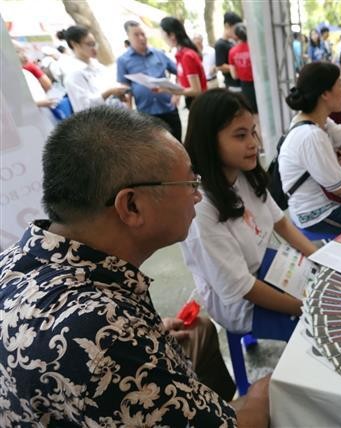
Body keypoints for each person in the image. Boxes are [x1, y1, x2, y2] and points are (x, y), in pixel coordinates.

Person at [0, 106, 270, 426]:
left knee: (200, 331)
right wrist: (261, 395)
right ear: (131, 205)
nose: (197, 195)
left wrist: (148, 334)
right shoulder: (103, 334)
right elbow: (101, 343)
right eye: (188, 183)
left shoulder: (18, 257)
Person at [181, 89, 317, 338]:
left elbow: (282, 223)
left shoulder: (244, 174)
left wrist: (321, 259)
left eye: (252, 131)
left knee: (327, 285)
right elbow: (243, 287)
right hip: (239, 303)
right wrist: (305, 307)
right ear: (209, 141)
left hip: (265, 268)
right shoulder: (200, 207)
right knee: (317, 327)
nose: (254, 143)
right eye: (240, 135)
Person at [280, 62, 341, 235]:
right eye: (338, 84)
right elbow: (340, 187)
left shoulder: (319, 121)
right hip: (317, 213)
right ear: (325, 94)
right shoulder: (311, 135)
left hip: (329, 203)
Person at [117, 20, 182, 141]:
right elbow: (125, 88)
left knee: (178, 142)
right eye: (136, 35)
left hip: (169, 108)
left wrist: (177, 93)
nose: (141, 38)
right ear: (128, 37)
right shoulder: (123, 60)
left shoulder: (159, 54)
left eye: (143, 34)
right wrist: (128, 111)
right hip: (146, 114)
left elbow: (180, 73)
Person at [57, 26, 129, 112]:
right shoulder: (73, 73)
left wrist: (118, 92)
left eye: (94, 44)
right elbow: (84, 108)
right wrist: (109, 92)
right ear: (74, 44)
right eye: (89, 44)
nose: (94, 48)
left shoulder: (97, 65)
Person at [159, 17, 207, 109]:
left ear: (172, 35)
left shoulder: (187, 56)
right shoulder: (181, 54)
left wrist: (171, 90)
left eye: (163, 33)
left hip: (200, 103)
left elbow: (196, 90)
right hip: (194, 102)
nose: (162, 37)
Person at [228, 25, 258, 114]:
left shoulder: (232, 52)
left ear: (236, 36)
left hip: (245, 86)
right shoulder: (256, 48)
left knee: (251, 112)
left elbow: (234, 76)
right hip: (259, 83)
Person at [214, 11, 243, 93]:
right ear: (227, 26)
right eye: (236, 28)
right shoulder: (220, 44)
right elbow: (220, 66)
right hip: (233, 86)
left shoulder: (233, 42)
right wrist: (236, 67)